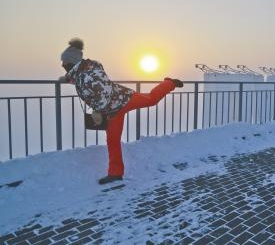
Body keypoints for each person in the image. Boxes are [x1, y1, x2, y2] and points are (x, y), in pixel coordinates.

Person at [59, 38, 183, 184]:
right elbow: (75, 75)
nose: (62, 65)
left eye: (64, 63)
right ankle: (115, 173)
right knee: (112, 140)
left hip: (123, 100)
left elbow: (104, 94)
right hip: (112, 112)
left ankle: (170, 82)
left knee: (151, 100)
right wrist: (65, 79)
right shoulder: (80, 71)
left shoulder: (90, 74)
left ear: (71, 63)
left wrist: (97, 111)